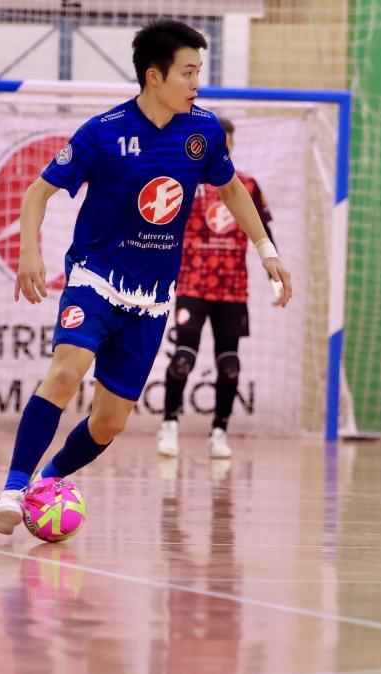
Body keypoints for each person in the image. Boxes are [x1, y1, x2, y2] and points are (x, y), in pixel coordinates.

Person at [0, 19, 293, 535]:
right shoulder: (102, 133)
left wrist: (265, 249)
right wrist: (28, 254)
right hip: (96, 278)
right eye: (188, 72)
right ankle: (14, 490)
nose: (197, 83)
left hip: (152, 297)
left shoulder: (203, 131)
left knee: (110, 422)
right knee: (66, 370)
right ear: (155, 76)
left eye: (200, 72)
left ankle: (48, 481)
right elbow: (36, 193)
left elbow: (233, 189)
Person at [156, 116, 277, 459]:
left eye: (227, 141)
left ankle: (219, 432)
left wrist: (274, 272)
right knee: (183, 358)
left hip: (232, 289)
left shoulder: (247, 186)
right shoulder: (184, 181)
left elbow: (264, 232)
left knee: (230, 365)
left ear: (232, 145)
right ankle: (169, 425)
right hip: (193, 284)